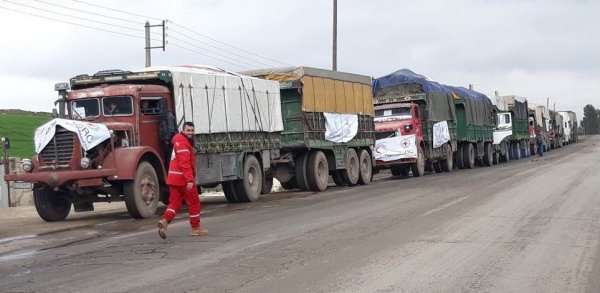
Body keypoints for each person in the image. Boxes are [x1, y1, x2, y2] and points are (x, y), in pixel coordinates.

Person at [157, 122, 207, 239]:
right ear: (183, 130)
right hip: (183, 179)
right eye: (188, 130)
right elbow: (185, 164)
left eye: (192, 130)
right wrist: (190, 180)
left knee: (174, 203)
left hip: (173, 179)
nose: (190, 133)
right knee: (194, 203)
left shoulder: (177, 141)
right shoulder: (183, 143)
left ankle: (165, 221)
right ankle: (195, 228)